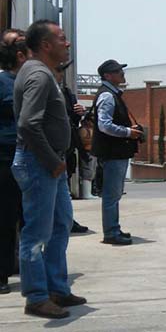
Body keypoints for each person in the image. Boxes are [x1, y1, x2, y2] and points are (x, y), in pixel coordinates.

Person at [12, 20, 86, 319]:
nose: (67, 44)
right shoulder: (39, 76)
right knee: (37, 233)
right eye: (62, 39)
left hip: (48, 162)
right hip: (40, 163)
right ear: (46, 45)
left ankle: (57, 288)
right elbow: (28, 124)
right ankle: (37, 297)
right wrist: (52, 161)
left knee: (60, 225)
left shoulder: (39, 72)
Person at [91, 59, 142, 246]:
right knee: (111, 195)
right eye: (118, 71)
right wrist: (129, 132)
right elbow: (104, 125)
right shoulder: (107, 96)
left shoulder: (112, 94)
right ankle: (111, 233)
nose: (122, 74)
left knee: (114, 194)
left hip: (116, 153)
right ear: (107, 75)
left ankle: (114, 228)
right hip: (112, 153)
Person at [0, 29, 29, 295]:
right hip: (5, 159)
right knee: (5, 217)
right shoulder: (2, 83)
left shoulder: (30, 82)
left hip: (29, 158)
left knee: (27, 216)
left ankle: (21, 265)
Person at [53, 61, 89, 234]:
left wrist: (80, 113)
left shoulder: (67, 92)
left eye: (62, 71)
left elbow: (74, 121)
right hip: (51, 151)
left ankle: (67, 219)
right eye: (59, 70)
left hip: (67, 148)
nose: (61, 74)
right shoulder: (43, 89)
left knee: (64, 188)